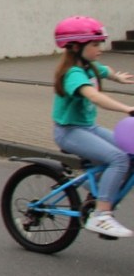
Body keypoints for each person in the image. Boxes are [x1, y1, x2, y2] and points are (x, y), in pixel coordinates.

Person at [51, 16, 134, 238]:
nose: (100, 49)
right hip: (69, 132)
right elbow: (94, 96)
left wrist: (118, 77)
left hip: (88, 128)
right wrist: (127, 108)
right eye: (95, 44)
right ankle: (101, 215)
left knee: (130, 154)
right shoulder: (73, 74)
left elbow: (104, 69)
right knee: (119, 159)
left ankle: (94, 192)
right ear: (76, 47)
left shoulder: (89, 66)